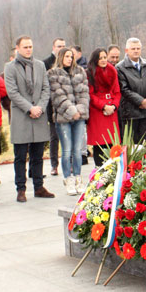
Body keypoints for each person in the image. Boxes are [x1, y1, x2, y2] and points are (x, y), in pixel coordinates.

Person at [4, 36, 55, 202]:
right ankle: (21, 189)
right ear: (17, 48)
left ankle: (39, 186)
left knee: (38, 155)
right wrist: (29, 108)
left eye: (30, 46)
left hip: (38, 116)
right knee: (20, 156)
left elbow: (46, 89)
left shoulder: (40, 65)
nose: (28, 49)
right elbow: (12, 92)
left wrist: (39, 107)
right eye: (25, 47)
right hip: (21, 116)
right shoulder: (10, 67)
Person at [48, 47, 90, 195]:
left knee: (78, 151)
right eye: (67, 56)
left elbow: (84, 93)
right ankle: (68, 179)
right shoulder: (53, 74)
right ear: (60, 57)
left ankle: (78, 177)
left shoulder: (80, 71)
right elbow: (57, 97)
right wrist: (72, 112)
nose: (69, 59)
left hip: (79, 116)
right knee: (67, 150)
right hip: (63, 118)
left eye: (71, 56)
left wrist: (79, 111)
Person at [116, 37, 146, 143]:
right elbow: (124, 89)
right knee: (131, 148)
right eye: (133, 48)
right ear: (126, 50)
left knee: (145, 146)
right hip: (129, 113)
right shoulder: (120, 68)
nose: (136, 51)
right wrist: (140, 101)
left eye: (138, 48)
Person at [86, 48, 121, 166]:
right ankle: (100, 170)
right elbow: (90, 94)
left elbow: (117, 91)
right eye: (100, 58)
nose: (103, 60)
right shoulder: (90, 73)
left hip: (111, 110)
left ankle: (112, 170)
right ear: (95, 59)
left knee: (112, 143)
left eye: (105, 57)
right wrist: (103, 106)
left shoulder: (113, 71)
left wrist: (114, 106)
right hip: (98, 111)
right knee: (99, 143)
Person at [43, 38, 66, 176]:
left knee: (67, 137)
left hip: (67, 106)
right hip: (52, 105)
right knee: (54, 137)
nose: (61, 48)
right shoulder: (46, 63)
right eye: (59, 46)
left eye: (63, 46)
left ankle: (67, 164)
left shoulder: (68, 61)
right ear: (53, 47)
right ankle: (54, 165)